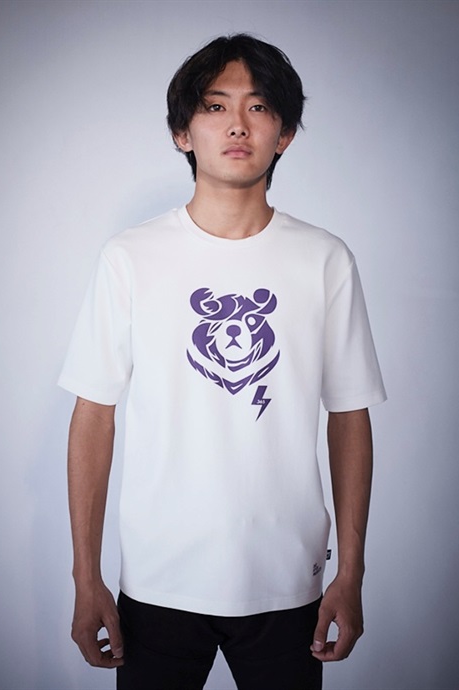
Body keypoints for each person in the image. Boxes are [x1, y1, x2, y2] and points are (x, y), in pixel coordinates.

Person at [59, 33, 386, 690]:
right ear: (182, 132)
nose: (238, 124)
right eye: (215, 106)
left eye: (259, 107)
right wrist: (85, 576)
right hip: (158, 580)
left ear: (284, 134)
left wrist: (350, 573)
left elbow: (350, 416)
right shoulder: (130, 257)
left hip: (288, 580)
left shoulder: (324, 259)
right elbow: (94, 414)